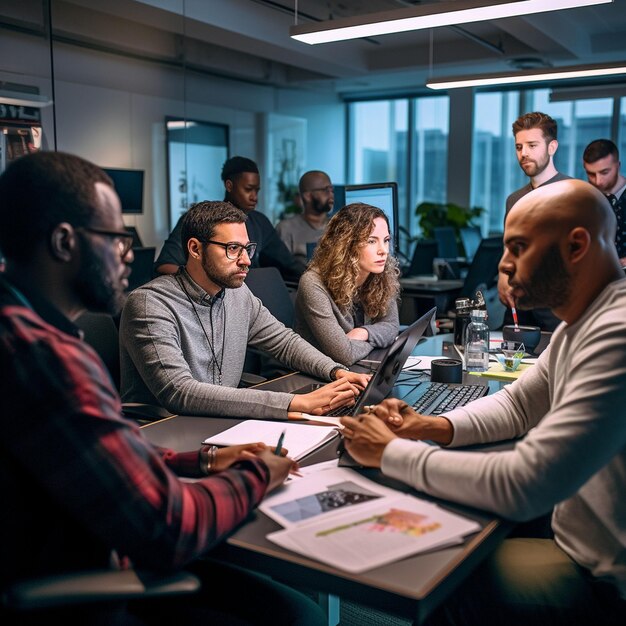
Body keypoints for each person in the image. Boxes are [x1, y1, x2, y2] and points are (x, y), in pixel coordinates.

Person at [0, 151, 327, 626]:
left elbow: (99, 450)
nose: (130, 253)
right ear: (65, 241)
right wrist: (261, 475)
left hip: (87, 533)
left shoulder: (26, 332)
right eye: (116, 237)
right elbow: (170, 527)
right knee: (303, 617)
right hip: (93, 583)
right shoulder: (44, 357)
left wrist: (204, 460)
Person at [341, 179, 626, 626]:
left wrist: (391, 452)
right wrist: (430, 427)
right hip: (576, 540)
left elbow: (524, 483)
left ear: (576, 246)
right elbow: (517, 406)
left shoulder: (616, 334)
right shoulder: (583, 322)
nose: (505, 266)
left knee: (443, 578)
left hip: (604, 582)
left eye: (517, 247)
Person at [121, 200, 369, 418]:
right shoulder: (149, 304)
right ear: (195, 249)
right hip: (166, 433)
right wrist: (295, 402)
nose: (247, 260)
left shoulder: (237, 294)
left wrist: (336, 371)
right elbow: (179, 392)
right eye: (232, 249)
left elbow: (284, 342)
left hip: (224, 420)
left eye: (247, 248)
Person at [154, 156, 305, 281]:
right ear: (229, 185)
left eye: (256, 190)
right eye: (248, 189)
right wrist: (207, 282)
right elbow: (165, 265)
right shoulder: (201, 220)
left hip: (251, 297)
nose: (254, 197)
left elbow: (288, 265)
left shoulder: (259, 222)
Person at [294, 203, 400, 366]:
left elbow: (392, 326)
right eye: (371, 241)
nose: (383, 250)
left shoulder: (380, 275)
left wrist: (363, 332)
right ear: (346, 245)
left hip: (355, 370)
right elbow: (344, 354)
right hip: (312, 376)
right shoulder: (313, 283)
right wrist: (379, 338)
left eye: (386, 240)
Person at [498, 111, 570, 331]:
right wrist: (502, 277)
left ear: (552, 147)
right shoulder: (514, 200)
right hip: (518, 311)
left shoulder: (573, 194)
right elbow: (509, 248)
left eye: (532, 145)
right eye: (519, 147)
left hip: (557, 314)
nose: (524, 153)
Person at [582, 138, 626, 266]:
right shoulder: (585, 200)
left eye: (604, 172)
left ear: (618, 166)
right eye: (591, 174)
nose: (598, 181)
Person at [276, 170, 334, 265]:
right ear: (308, 196)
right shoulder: (286, 228)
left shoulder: (338, 225)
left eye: (332, 190)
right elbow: (282, 268)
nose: (331, 194)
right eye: (325, 190)